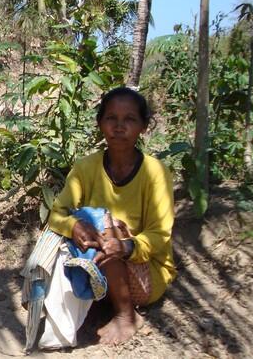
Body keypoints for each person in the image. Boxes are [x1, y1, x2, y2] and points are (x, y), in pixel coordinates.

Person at [47, 86, 176, 345]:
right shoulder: (86, 167)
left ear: (144, 126)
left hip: (145, 272)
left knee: (109, 229)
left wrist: (126, 246)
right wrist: (74, 226)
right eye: (111, 118)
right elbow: (56, 214)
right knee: (82, 226)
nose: (119, 127)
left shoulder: (156, 173)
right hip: (97, 263)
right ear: (99, 124)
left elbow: (160, 235)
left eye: (129, 119)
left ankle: (126, 316)